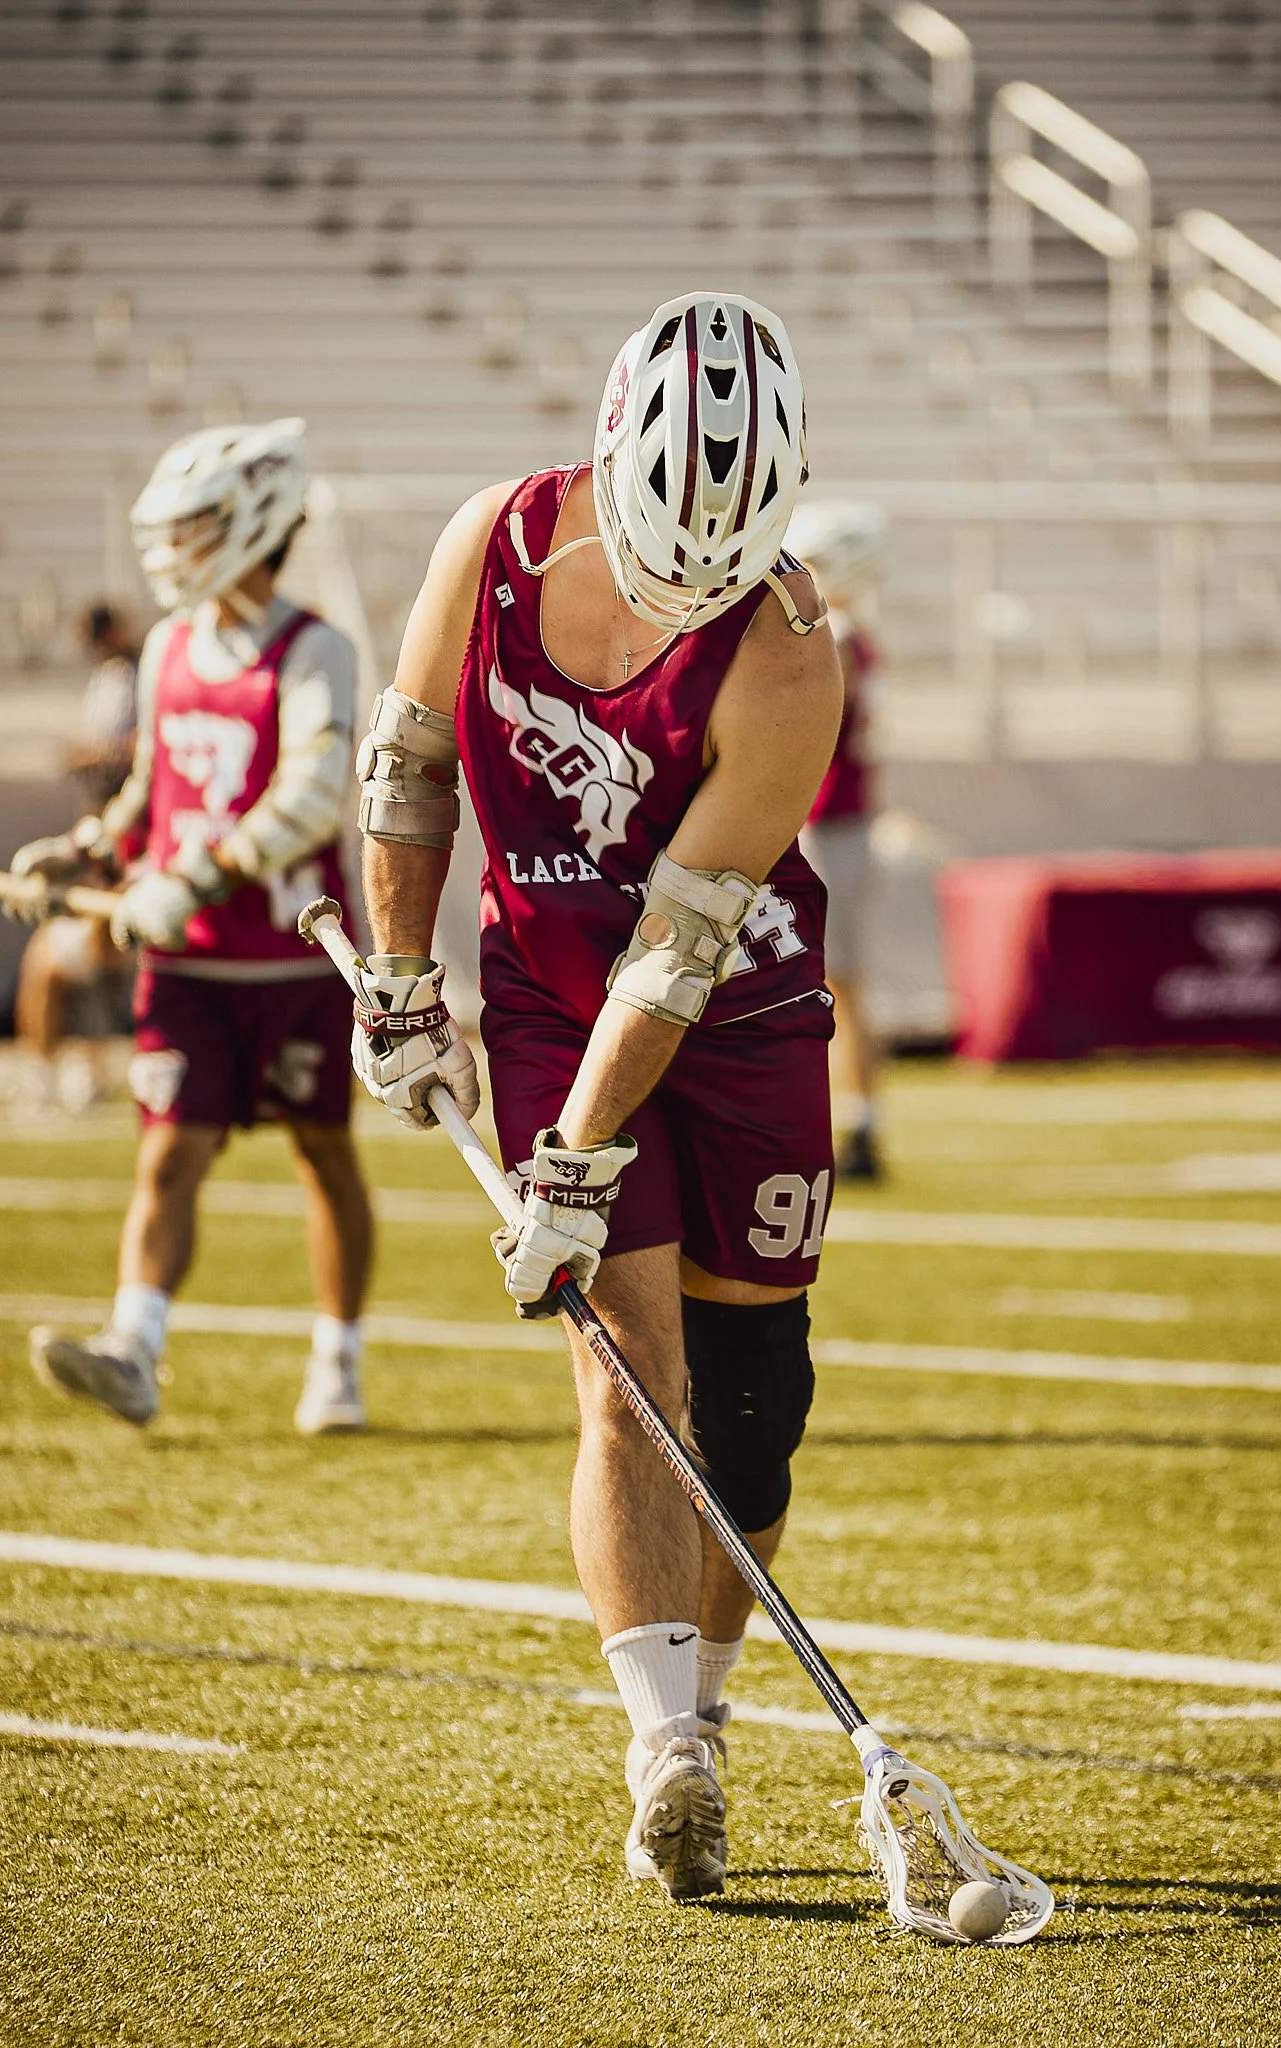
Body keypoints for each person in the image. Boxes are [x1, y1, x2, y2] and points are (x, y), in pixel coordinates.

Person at [351, 293, 842, 1903]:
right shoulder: (490, 536)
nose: (681, 590)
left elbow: (681, 948)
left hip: (737, 1008)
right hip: (556, 996)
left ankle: (705, 1701)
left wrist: (573, 1151)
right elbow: (414, 760)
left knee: (756, 1412)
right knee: (629, 1371)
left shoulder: (788, 651)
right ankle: (667, 1750)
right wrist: (405, 982)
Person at [13, 418, 376, 1437]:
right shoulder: (169, 644)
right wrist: (88, 847)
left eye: (201, 523)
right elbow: (149, 786)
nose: (176, 548)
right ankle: (135, 1346)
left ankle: (337, 1354)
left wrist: (200, 875)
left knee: (324, 1155)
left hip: (289, 959)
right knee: (169, 1154)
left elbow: (310, 799)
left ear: (257, 521)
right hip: (187, 967)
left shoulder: (316, 649)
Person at [0, 603, 142, 1115]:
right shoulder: (107, 679)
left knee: (85, 959)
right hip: (97, 834)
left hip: (125, 846)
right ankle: (48, 1065)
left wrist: (101, 756)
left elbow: (139, 752)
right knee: (54, 960)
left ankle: (83, 1064)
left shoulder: (145, 672)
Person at [787, 500, 889, 1181]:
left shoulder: (840, 635)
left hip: (831, 825)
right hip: (828, 825)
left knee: (834, 985)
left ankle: (857, 1124)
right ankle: (848, 1120)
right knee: (828, 984)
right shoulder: (852, 633)